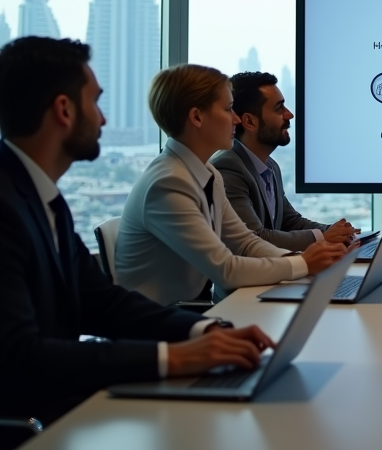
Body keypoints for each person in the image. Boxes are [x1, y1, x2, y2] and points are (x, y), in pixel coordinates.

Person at [0, 38, 274, 424]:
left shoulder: (43, 198)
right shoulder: (7, 208)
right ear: (64, 110)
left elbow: (101, 302)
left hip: (65, 406)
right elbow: (20, 357)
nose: (103, 119)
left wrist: (205, 330)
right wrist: (173, 357)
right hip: (38, 423)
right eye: (95, 102)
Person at [117, 64, 351, 305]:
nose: (236, 119)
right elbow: (225, 269)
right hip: (159, 325)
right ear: (197, 117)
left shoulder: (206, 172)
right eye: (229, 109)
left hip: (182, 314)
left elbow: (247, 243)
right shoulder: (168, 183)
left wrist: (312, 261)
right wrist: (302, 263)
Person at [211, 71, 358, 251]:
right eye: (279, 108)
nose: (289, 115)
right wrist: (322, 237)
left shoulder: (270, 166)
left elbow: (290, 221)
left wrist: (335, 232)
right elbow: (254, 238)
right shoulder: (229, 167)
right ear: (250, 121)